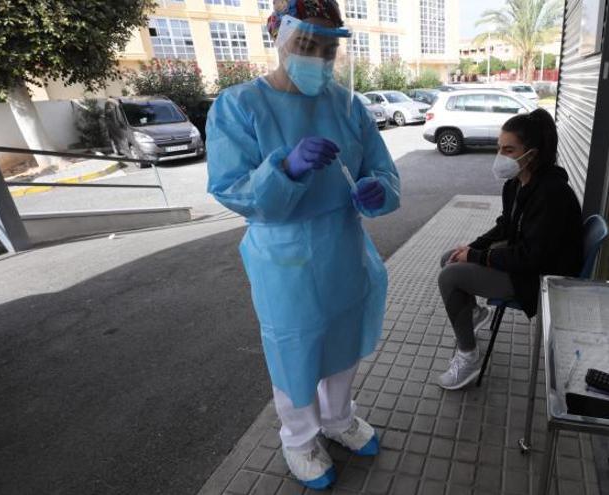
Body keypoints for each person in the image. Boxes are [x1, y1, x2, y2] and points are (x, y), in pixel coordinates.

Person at [205, 0, 400, 490]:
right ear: (279, 38)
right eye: (306, 45)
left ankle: (338, 420)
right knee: (295, 352)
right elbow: (232, 188)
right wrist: (284, 169)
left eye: (328, 50)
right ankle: (299, 438)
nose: (318, 58)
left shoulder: (348, 104)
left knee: (342, 345)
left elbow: (381, 168)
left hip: (343, 247)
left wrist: (379, 189)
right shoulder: (239, 105)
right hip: (284, 258)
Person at [436, 109, 584, 390]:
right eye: (499, 148)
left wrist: (479, 257)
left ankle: (468, 358)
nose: (500, 156)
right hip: (527, 262)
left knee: (450, 276)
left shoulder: (552, 193)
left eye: (508, 149)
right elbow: (506, 227)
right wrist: (472, 247)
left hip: (541, 279)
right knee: (449, 258)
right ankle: (475, 314)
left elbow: (532, 258)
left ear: (532, 154)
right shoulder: (517, 184)